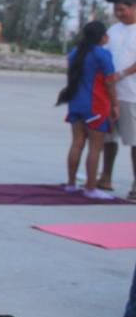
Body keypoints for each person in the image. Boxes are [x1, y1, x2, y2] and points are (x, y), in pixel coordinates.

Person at [56, 21, 117, 199]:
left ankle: (71, 184)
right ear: (102, 37)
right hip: (95, 105)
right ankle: (91, 188)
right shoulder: (103, 54)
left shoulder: (75, 53)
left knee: (76, 143)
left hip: (75, 103)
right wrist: (114, 104)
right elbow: (110, 82)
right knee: (95, 147)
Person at [100, 0, 136, 199]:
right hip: (111, 94)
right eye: (116, 10)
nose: (119, 13)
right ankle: (105, 177)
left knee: (134, 141)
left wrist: (121, 74)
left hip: (132, 95)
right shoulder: (113, 30)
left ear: (133, 7)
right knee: (108, 138)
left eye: (122, 9)